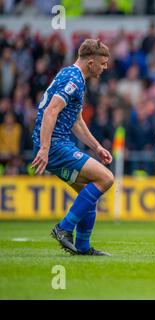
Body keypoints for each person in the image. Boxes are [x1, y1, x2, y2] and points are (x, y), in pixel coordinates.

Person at [31, 39, 114, 256]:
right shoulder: (74, 80)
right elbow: (51, 112)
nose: (105, 67)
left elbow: (76, 121)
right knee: (106, 179)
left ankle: (83, 247)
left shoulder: (72, 75)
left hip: (56, 143)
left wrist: (96, 147)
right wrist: (45, 148)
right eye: (102, 63)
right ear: (90, 62)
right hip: (55, 144)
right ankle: (63, 228)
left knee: (88, 194)